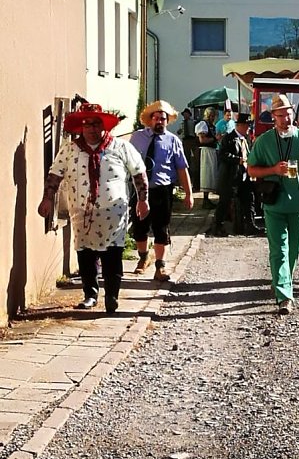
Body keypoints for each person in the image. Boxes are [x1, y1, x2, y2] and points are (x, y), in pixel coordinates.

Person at [38, 103, 149, 313]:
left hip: (113, 214)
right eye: (87, 124)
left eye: (96, 124)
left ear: (103, 126)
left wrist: (143, 200)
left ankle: (112, 296)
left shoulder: (120, 147)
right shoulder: (70, 149)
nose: (92, 129)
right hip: (81, 213)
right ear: (81, 127)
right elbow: (54, 175)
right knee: (85, 254)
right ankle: (90, 294)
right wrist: (47, 199)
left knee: (112, 254)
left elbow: (138, 173)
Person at [247, 94, 299, 315]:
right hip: (274, 205)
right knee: (279, 250)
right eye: (281, 115)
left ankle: (281, 280)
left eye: (288, 114)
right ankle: (284, 295)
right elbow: (251, 170)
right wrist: (273, 170)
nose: (285, 119)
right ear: (273, 117)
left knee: (294, 250)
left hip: (298, 204)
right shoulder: (264, 141)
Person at [130, 100, 194, 282]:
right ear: (150, 120)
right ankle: (143, 257)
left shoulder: (173, 141)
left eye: (163, 119)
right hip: (139, 189)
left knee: (161, 228)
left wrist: (189, 194)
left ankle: (160, 266)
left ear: (167, 121)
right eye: (156, 118)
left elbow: (182, 168)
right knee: (139, 227)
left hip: (162, 189)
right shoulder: (137, 138)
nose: (159, 121)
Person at [213, 113, 263, 237]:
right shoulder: (229, 138)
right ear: (240, 125)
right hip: (230, 177)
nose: (248, 128)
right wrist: (238, 159)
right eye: (247, 125)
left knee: (249, 199)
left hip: (244, 175)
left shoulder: (245, 139)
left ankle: (250, 225)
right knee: (225, 202)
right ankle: (218, 226)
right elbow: (223, 155)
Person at [195, 107, 218, 209]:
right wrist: (215, 138)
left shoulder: (211, 126)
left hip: (210, 151)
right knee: (206, 174)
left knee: (210, 175)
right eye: (211, 116)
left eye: (214, 116)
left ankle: (207, 199)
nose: (213, 118)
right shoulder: (203, 124)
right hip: (205, 152)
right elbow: (202, 140)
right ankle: (205, 200)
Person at [177, 107, 198, 189]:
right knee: (186, 157)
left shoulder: (193, 122)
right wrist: (180, 131)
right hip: (185, 140)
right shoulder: (182, 123)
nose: (185, 116)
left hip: (192, 140)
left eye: (186, 114)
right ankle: (187, 174)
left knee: (196, 158)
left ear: (189, 115)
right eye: (184, 115)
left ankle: (194, 175)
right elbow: (180, 132)